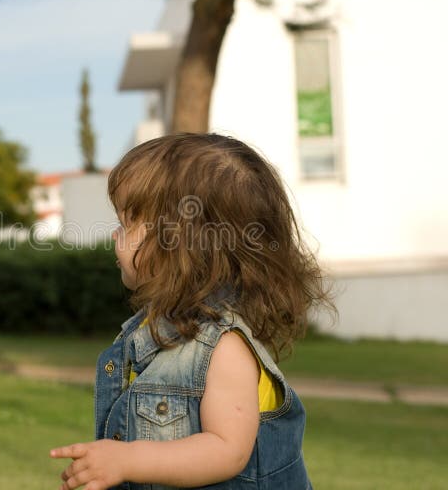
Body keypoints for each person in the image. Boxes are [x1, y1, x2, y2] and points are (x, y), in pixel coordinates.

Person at [50, 133, 333, 489]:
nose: (115, 236)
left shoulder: (224, 347)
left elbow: (226, 450)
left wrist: (126, 460)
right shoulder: (150, 332)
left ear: (178, 242)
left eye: (126, 224)